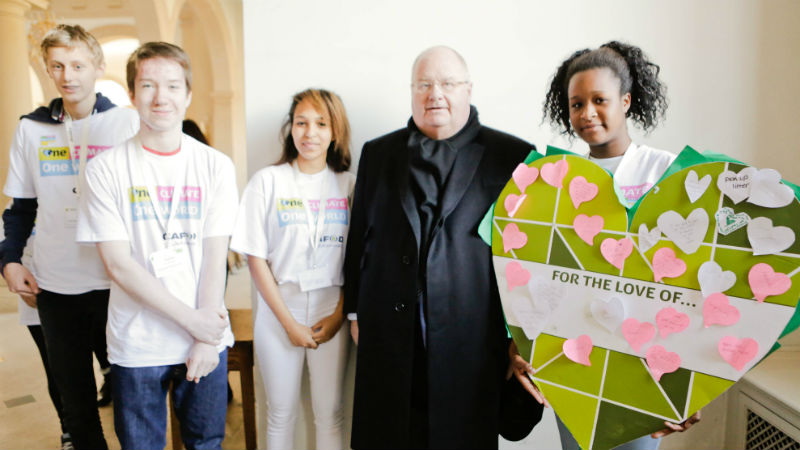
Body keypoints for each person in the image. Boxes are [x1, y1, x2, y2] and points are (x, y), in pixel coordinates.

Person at [343, 46, 535, 449]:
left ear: (468, 89)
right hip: (391, 337)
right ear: (412, 91)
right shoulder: (377, 153)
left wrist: (524, 333)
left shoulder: (513, 156)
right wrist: (356, 310)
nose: (435, 94)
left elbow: (526, 256)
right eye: (424, 84)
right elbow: (359, 234)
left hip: (472, 338)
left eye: (448, 83)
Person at [532, 41, 701, 450]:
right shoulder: (557, 179)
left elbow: (693, 273)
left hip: (644, 360)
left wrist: (692, 382)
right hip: (575, 356)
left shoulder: (668, 171)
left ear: (626, 101)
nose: (587, 113)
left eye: (599, 100)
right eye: (576, 104)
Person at [76, 41, 238, 450]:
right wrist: (195, 321)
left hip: (202, 340)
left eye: (172, 85)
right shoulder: (104, 169)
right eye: (148, 86)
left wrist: (204, 337)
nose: (160, 97)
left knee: (206, 444)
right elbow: (118, 264)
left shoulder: (215, 166)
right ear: (132, 94)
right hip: (137, 342)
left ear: (188, 94)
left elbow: (214, 257)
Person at [1, 24, 138, 450]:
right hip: (55, 286)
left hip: (116, 283)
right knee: (76, 407)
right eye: (57, 66)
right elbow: (20, 208)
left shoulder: (127, 124)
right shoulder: (31, 129)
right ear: (47, 70)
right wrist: (9, 260)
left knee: (131, 402)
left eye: (78, 64)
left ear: (98, 67)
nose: (68, 75)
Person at [231, 88, 354, 450]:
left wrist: (339, 315)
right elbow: (256, 259)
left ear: (335, 132)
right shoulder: (267, 182)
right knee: (280, 415)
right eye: (301, 122)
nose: (309, 132)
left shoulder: (348, 185)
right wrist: (288, 323)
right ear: (291, 128)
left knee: (330, 414)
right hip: (277, 310)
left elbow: (359, 259)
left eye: (320, 123)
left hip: (332, 310)